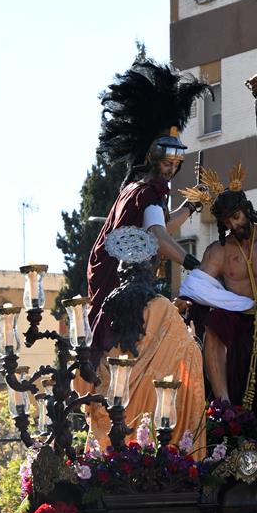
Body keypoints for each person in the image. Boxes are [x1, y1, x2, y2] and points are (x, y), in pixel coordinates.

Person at [87, 57, 211, 363]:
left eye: (175, 164)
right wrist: (195, 264)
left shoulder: (136, 190)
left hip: (115, 276)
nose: (171, 170)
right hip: (126, 281)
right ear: (152, 160)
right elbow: (157, 235)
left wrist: (190, 206)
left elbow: (158, 230)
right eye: (167, 163)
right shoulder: (150, 191)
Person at [78, 227, 206, 457]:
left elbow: (90, 356)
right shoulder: (163, 308)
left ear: (122, 274)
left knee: (111, 464)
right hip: (155, 405)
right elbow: (187, 353)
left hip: (112, 403)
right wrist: (193, 340)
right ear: (150, 272)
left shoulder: (108, 307)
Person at [179, 167, 257, 419]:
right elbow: (197, 285)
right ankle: (223, 405)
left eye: (236, 217)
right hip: (239, 317)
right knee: (214, 323)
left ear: (247, 210)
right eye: (227, 222)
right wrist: (183, 301)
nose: (234, 225)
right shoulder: (219, 251)